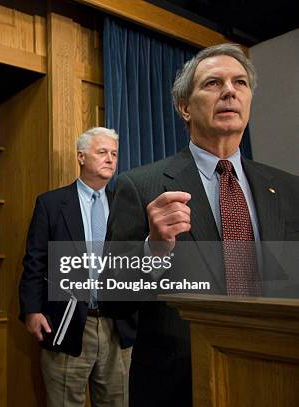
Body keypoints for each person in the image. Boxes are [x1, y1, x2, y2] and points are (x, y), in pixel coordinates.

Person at [100, 43, 299, 406]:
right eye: (213, 83)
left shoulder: (287, 189)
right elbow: (111, 298)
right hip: (180, 384)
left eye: (240, 82)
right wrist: (153, 249)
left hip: (277, 374)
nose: (229, 91)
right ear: (185, 107)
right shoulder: (140, 185)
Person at [19, 127, 136, 407]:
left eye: (114, 154)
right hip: (67, 321)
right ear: (81, 157)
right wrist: (31, 311)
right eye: (102, 152)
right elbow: (35, 261)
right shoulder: (51, 203)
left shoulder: (126, 205)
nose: (110, 159)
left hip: (116, 326)